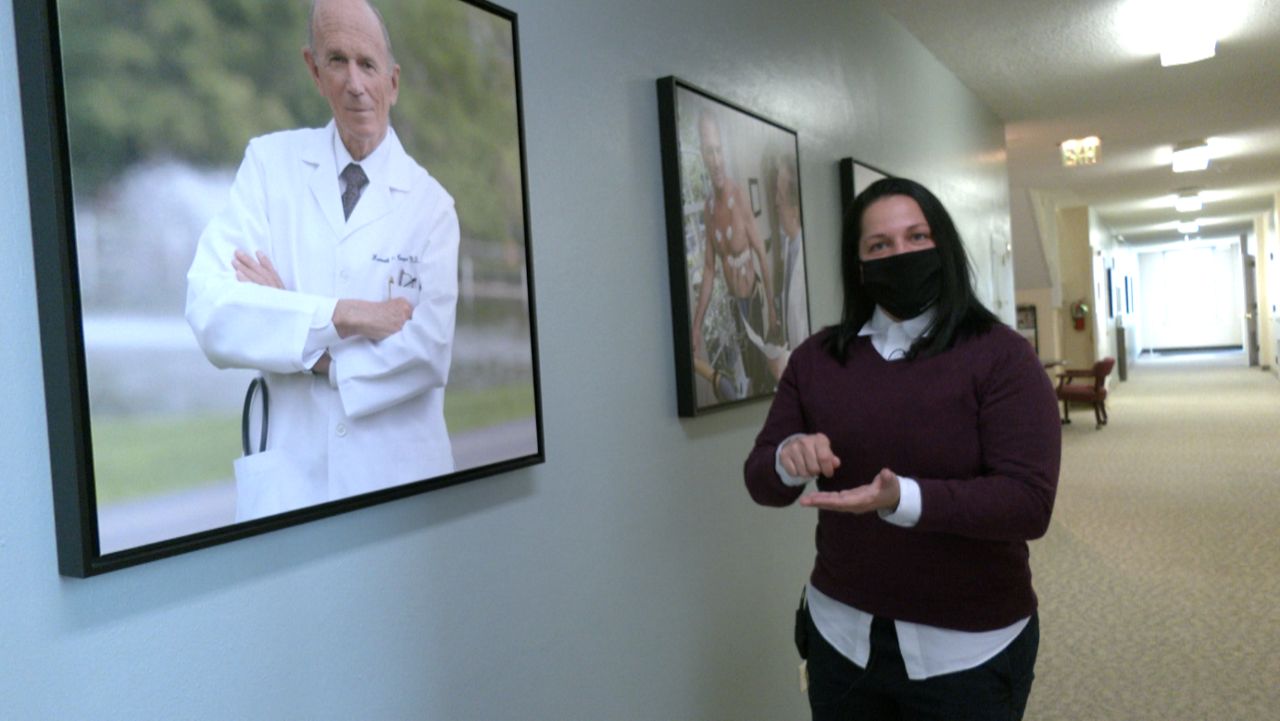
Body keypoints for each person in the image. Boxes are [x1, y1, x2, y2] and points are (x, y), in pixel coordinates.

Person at [744, 177, 1060, 720]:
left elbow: (1028, 504)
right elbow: (761, 480)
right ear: (859, 262)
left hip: (968, 651)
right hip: (839, 637)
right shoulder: (817, 359)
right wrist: (788, 458)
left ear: (945, 247)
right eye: (880, 245)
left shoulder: (1001, 357)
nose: (901, 254)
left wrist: (901, 499)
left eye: (918, 237)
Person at [186, 0, 458, 521]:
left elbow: (427, 352)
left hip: (397, 483)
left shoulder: (432, 207)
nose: (355, 83)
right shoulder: (268, 166)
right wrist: (344, 315)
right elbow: (210, 308)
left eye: (368, 64)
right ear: (314, 70)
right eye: (337, 61)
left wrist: (299, 334)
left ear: (393, 82)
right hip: (292, 486)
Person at [689, 109, 784, 401]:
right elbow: (708, 270)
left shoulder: (738, 195)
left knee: (763, 373)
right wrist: (695, 327)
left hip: (753, 301)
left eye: (719, 150)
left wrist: (771, 309)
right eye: (709, 152)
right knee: (746, 372)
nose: (716, 160)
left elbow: (759, 252)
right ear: (703, 156)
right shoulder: (708, 209)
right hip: (734, 306)